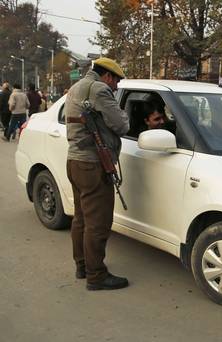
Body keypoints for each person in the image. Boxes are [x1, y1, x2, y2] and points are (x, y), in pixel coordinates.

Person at [64, 57, 130, 290]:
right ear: (108, 76)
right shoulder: (99, 89)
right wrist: (124, 114)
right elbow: (122, 126)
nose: (117, 87)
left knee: (81, 218)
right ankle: (96, 276)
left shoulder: (77, 87)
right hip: (93, 164)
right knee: (98, 223)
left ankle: (82, 266)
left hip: (76, 161)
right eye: (117, 81)